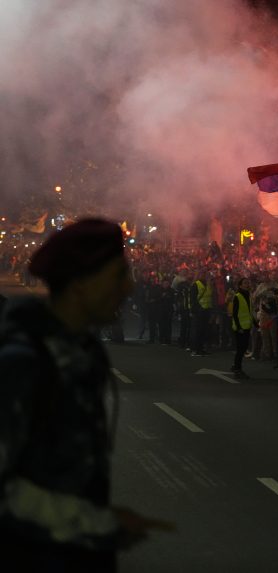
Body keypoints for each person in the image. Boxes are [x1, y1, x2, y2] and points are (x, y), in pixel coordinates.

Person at [0, 219, 172, 571]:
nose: (128, 288)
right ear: (79, 285)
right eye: (117, 276)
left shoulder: (82, 354)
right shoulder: (23, 364)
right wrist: (93, 522)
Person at [231, 277, 253, 379]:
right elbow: (234, 314)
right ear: (240, 285)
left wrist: (256, 324)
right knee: (241, 349)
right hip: (240, 327)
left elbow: (249, 311)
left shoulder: (248, 295)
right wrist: (239, 327)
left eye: (247, 283)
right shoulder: (238, 296)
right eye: (244, 283)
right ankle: (237, 369)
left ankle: (236, 366)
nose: (247, 284)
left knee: (243, 348)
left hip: (247, 325)